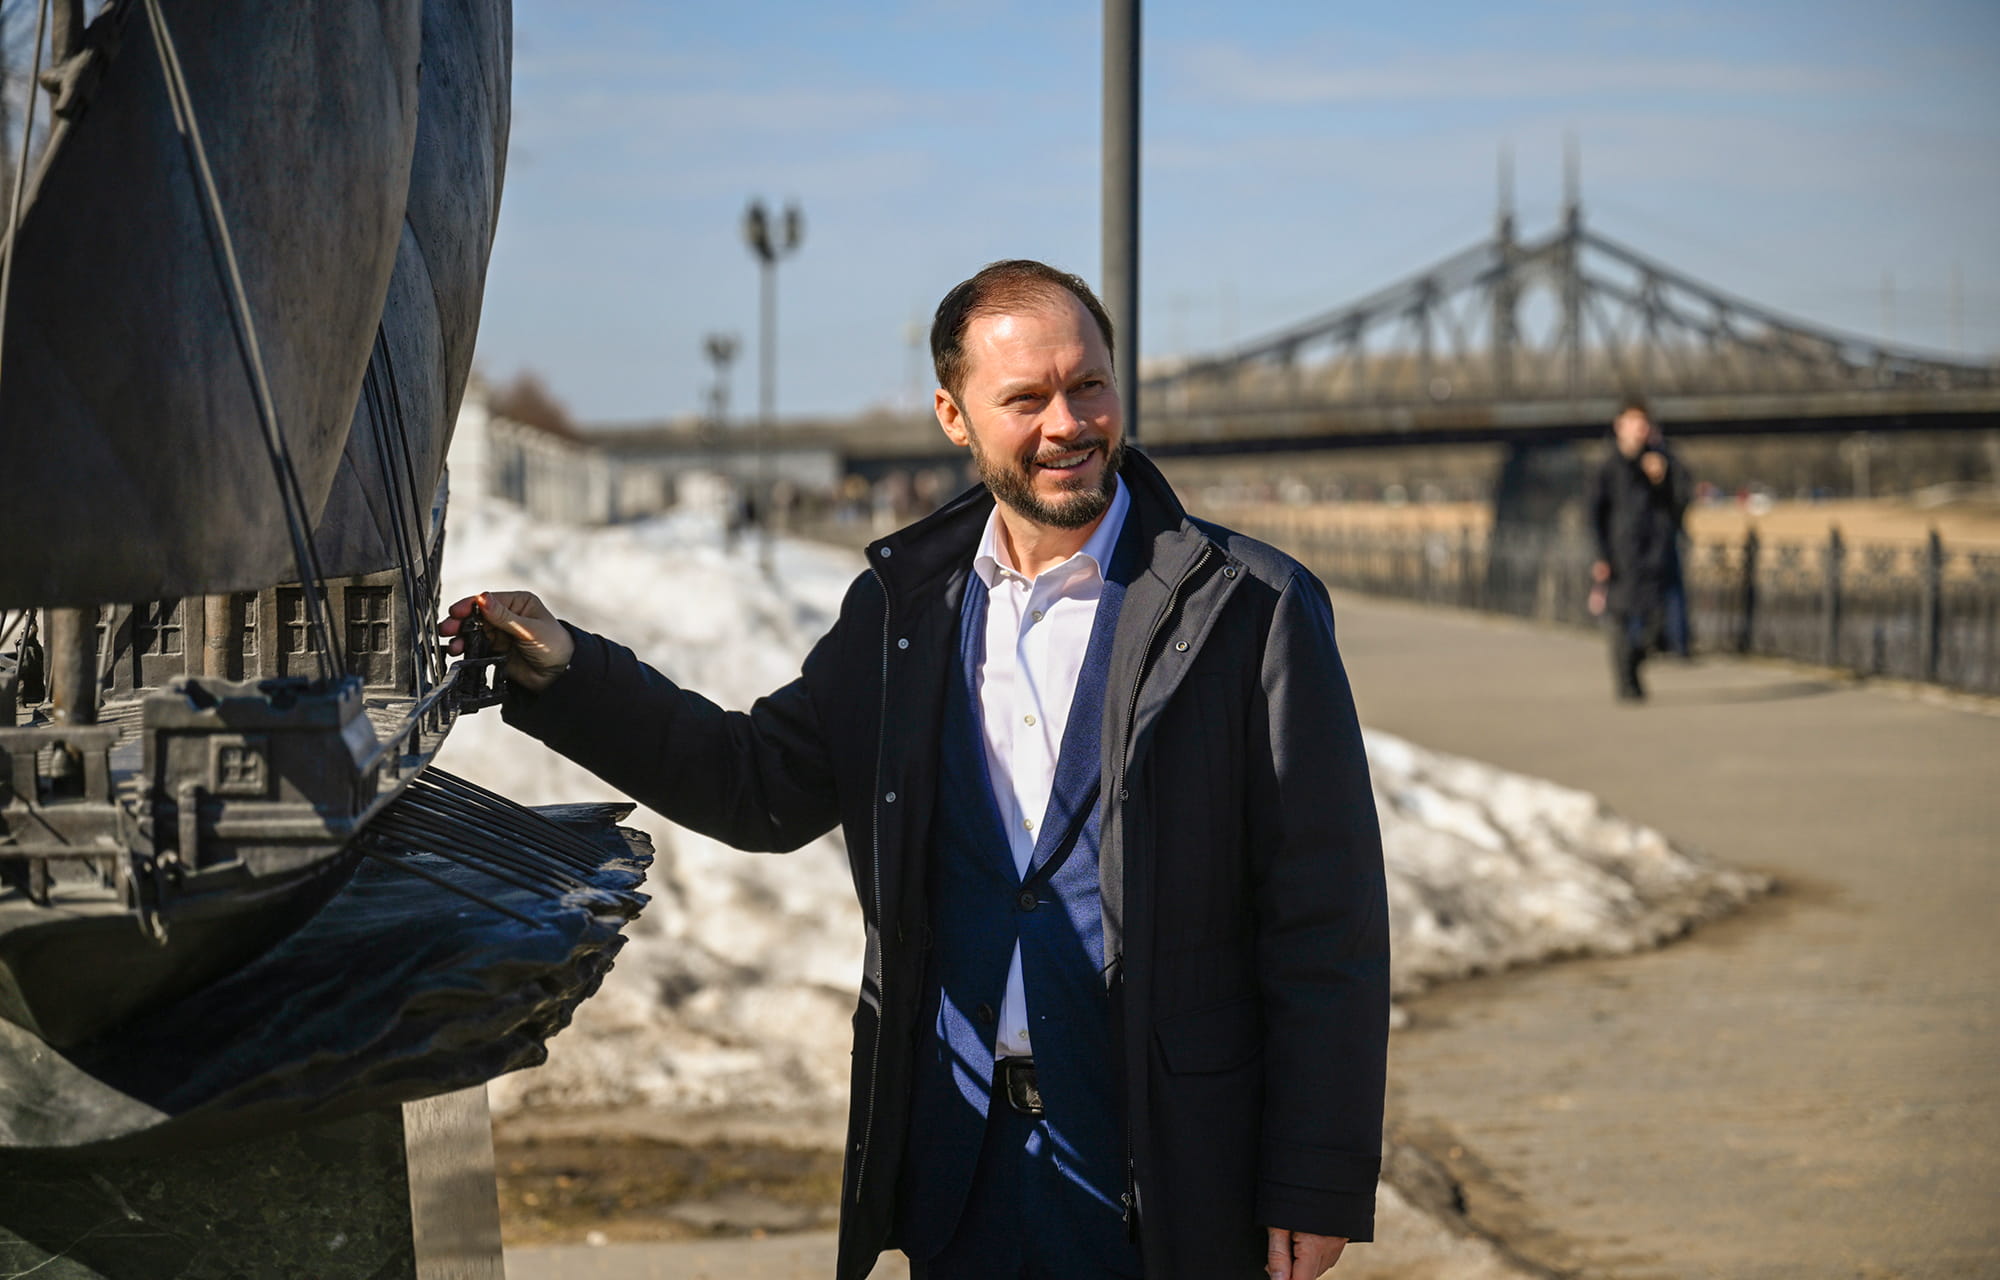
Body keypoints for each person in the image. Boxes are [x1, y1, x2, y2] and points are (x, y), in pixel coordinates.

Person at [441, 260, 1388, 1280]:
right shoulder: (906, 611)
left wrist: (1314, 1174)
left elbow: (1323, 913)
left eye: (1089, 386)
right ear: (953, 416)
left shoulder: (1249, 607)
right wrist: (568, 672)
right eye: (1025, 398)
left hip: (1168, 1171)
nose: (1068, 423)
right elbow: (755, 783)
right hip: (961, 1170)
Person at [1588, 398, 1693, 699]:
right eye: (1633, 423)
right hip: (1622, 556)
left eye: (1644, 424)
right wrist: (1600, 555)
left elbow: (1681, 502)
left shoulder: (1662, 460)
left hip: (1657, 554)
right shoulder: (1607, 467)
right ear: (1619, 426)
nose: (1639, 430)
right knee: (1622, 618)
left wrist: (1662, 478)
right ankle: (1626, 681)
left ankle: (1636, 659)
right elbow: (1595, 514)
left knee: (1657, 624)